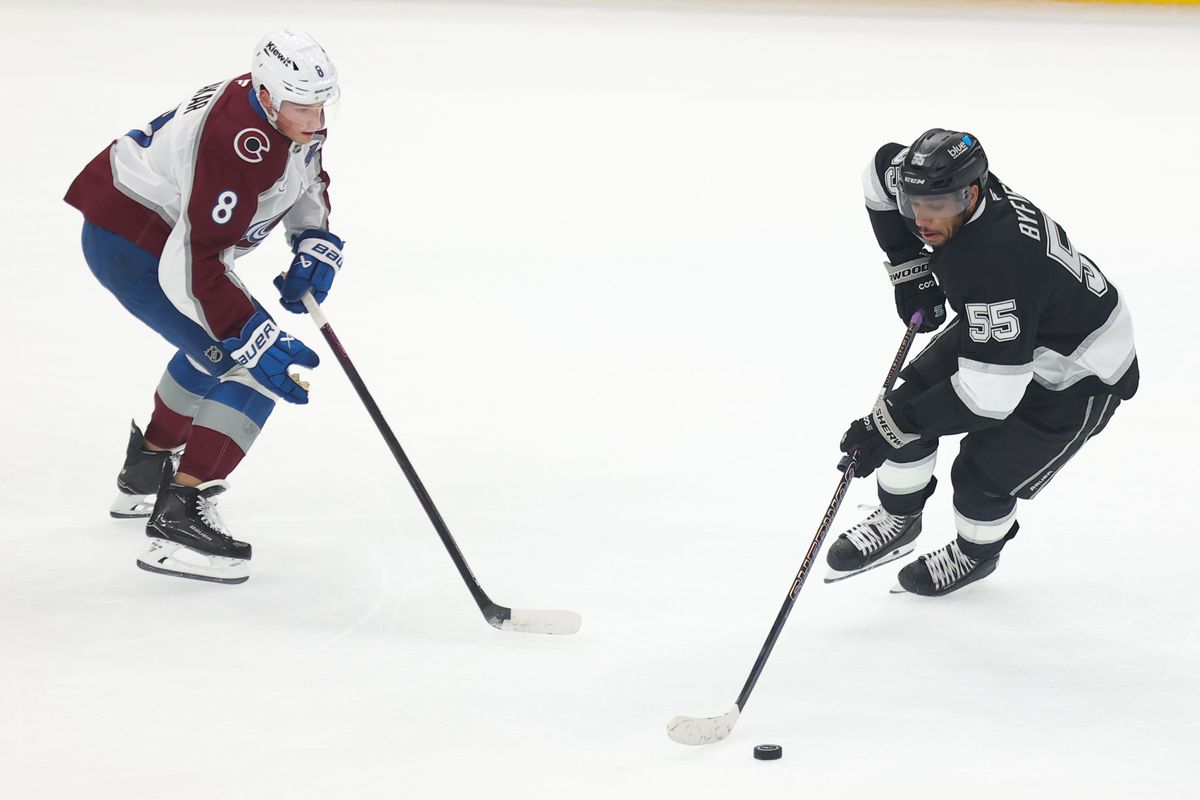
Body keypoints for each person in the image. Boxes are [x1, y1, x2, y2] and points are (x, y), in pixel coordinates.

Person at [64, 30, 346, 585]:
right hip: (138, 243)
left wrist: (313, 237)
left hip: (161, 237)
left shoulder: (288, 112)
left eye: (321, 104)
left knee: (210, 346)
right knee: (253, 363)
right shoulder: (235, 139)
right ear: (265, 95)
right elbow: (194, 263)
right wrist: (253, 334)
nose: (314, 118)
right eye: (300, 106)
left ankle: (148, 470)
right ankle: (178, 519)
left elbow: (303, 169)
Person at [825, 129, 1138, 596]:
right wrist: (907, 268)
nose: (923, 220)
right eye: (914, 205)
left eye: (938, 208)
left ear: (972, 193)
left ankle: (976, 555)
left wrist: (892, 429)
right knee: (906, 403)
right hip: (1017, 326)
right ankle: (899, 519)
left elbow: (988, 400)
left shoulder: (996, 264)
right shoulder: (946, 190)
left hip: (1080, 373)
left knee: (980, 478)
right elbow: (878, 172)